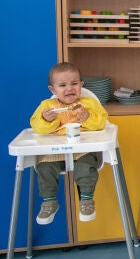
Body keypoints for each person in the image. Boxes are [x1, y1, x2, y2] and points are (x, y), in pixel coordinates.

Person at [30, 62, 108, 225]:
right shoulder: (47, 106)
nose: (69, 89)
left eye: (74, 84)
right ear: (53, 89)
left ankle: (86, 200)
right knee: (44, 167)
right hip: (55, 152)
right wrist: (45, 119)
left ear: (81, 85)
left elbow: (102, 123)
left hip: (83, 150)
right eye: (62, 85)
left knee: (86, 167)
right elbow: (37, 128)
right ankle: (49, 201)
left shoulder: (88, 104)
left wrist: (88, 117)